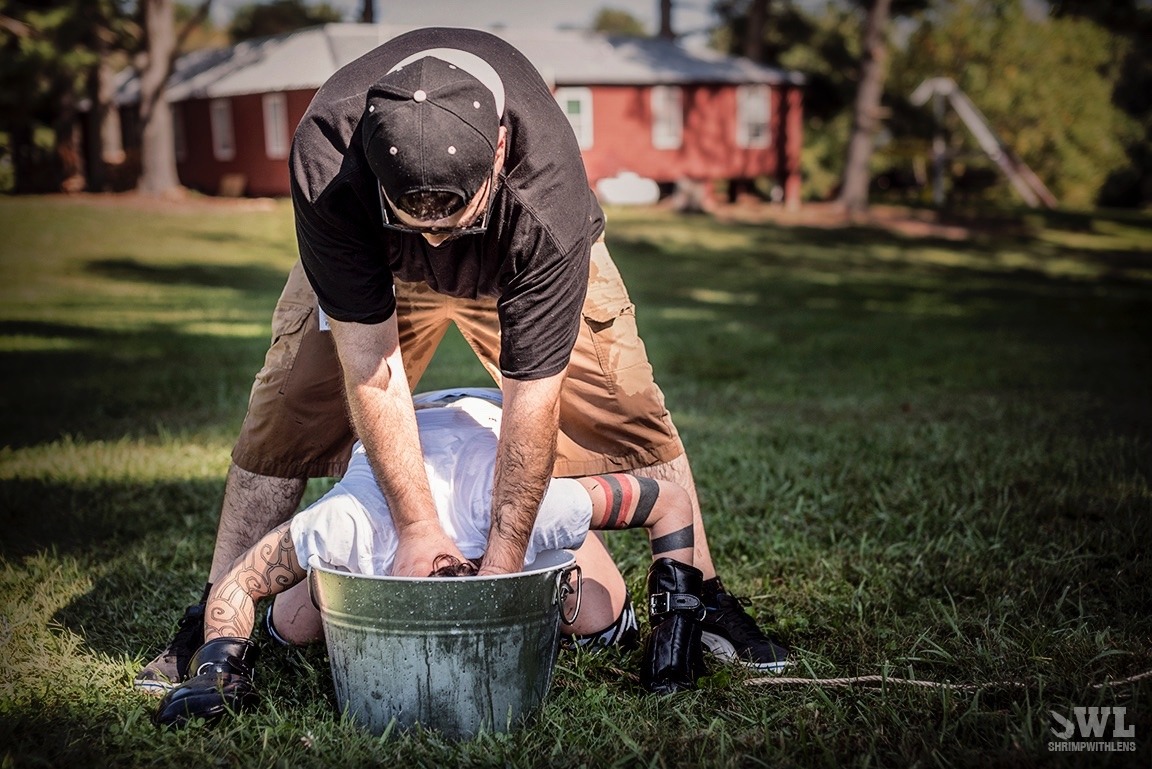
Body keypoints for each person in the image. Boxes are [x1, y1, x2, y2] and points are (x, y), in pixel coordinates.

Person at [135, 26, 788, 693]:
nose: (437, 240)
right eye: (417, 217)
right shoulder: (327, 155)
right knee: (287, 414)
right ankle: (209, 613)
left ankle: (702, 595)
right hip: (377, 272)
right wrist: (417, 532)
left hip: (515, 260)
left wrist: (503, 568)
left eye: (454, 218)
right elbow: (371, 366)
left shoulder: (546, 195)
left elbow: (532, 397)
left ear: (501, 148)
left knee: (625, 406)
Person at [154, 390, 709, 727]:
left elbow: (670, 504)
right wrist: (218, 669)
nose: (444, 585)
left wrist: (675, 625)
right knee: (291, 625)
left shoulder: (523, 507)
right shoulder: (353, 522)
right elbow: (238, 583)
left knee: (599, 618)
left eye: (440, 587)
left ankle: (569, 556)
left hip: (497, 426)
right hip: (397, 423)